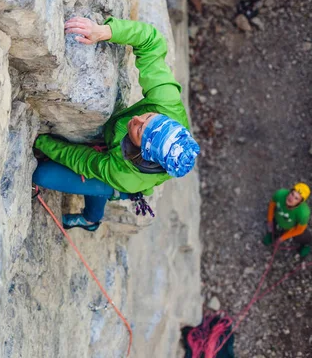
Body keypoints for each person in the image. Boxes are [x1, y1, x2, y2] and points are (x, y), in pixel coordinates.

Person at [32, 16, 200, 231]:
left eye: (139, 129)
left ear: (141, 152)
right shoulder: (166, 103)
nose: (137, 119)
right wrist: (104, 32)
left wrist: (42, 142)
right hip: (118, 159)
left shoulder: (126, 173)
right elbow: (151, 40)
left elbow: (84, 160)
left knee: (44, 175)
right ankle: (101, 197)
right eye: (149, 117)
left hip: (121, 180)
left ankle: (92, 219)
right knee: (98, 175)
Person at [263, 183, 311, 257]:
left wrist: (283, 238)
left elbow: (300, 230)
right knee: (276, 227)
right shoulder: (280, 194)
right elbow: (271, 205)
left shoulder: (303, 213)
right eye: (292, 194)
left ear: (300, 202)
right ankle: (273, 235)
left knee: (304, 236)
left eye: (296, 198)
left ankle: (306, 245)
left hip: (292, 227)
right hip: (279, 219)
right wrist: (269, 220)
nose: (291, 198)